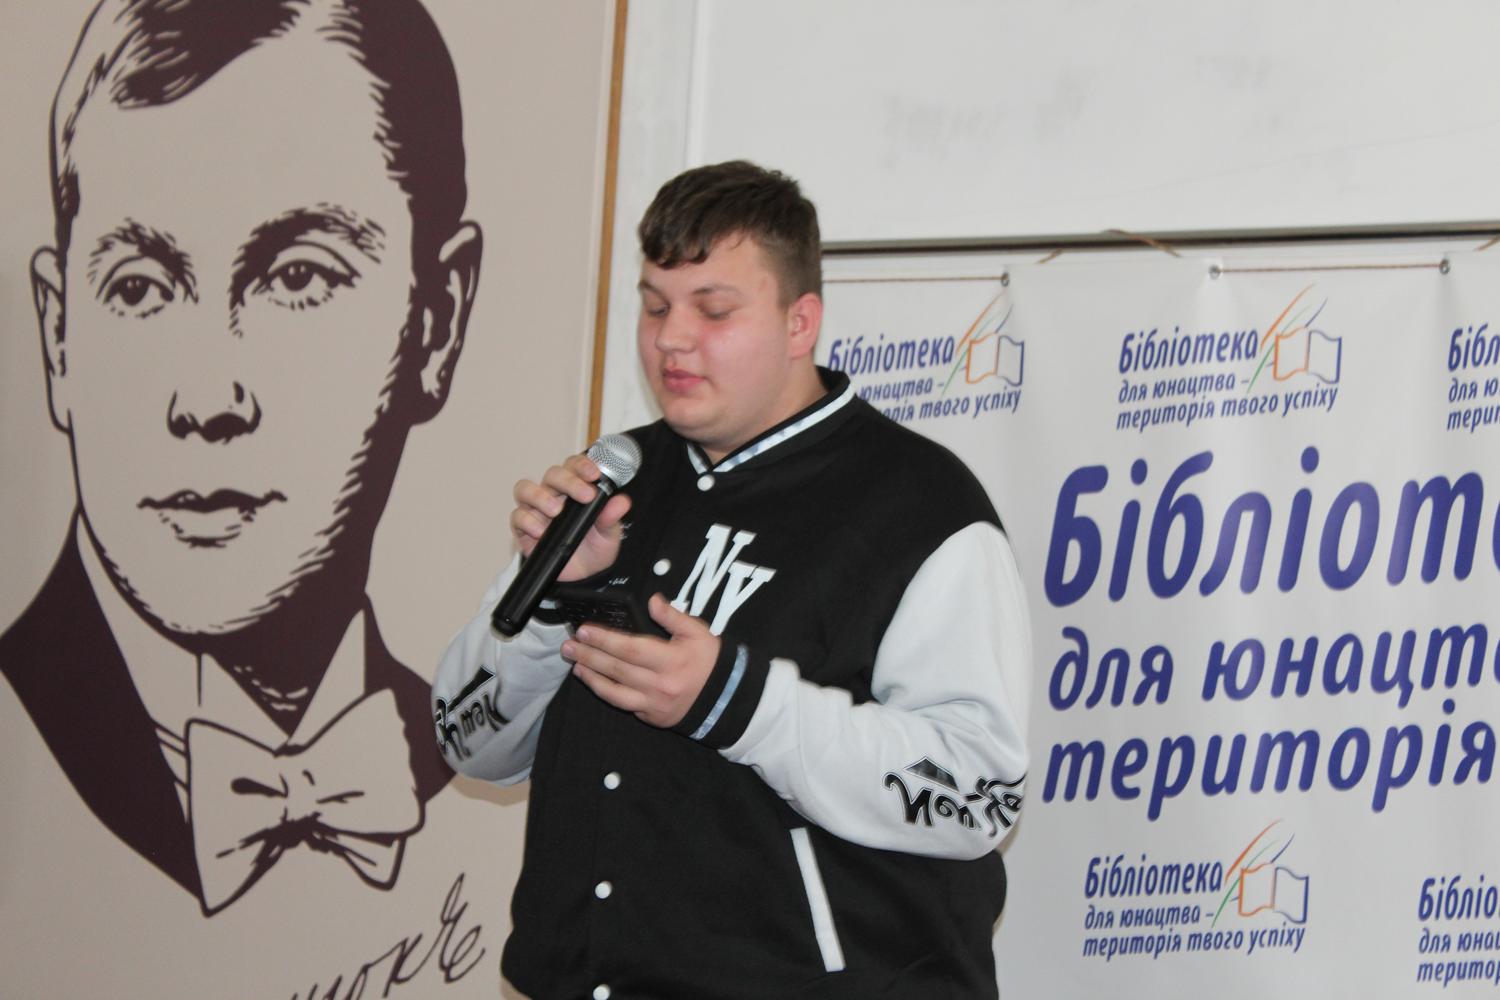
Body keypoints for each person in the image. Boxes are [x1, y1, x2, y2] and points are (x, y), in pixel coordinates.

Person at [433, 160, 1031, 999]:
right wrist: (547, 605)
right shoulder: (611, 482)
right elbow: (467, 743)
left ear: (800, 322)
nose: (671, 339)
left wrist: (740, 704)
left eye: (713, 310)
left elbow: (980, 795)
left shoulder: (922, 506)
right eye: (654, 306)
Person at [3, 0, 480, 917]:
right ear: (58, 338)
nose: (207, 398)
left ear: (437, 322)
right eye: (138, 288)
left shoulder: (460, 739)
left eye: (297, 276)